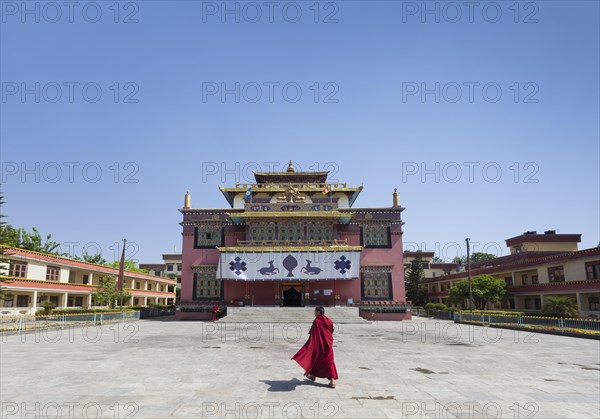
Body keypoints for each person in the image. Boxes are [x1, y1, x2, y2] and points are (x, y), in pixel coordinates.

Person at [291, 306, 338, 388]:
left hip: (320, 344)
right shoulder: (328, 320)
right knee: (328, 360)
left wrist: (309, 345)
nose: (314, 313)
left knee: (317, 358)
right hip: (328, 343)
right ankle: (315, 376)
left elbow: (313, 334)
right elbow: (331, 330)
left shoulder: (317, 321)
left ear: (319, 312)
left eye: (315, 312)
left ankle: (332, 380)